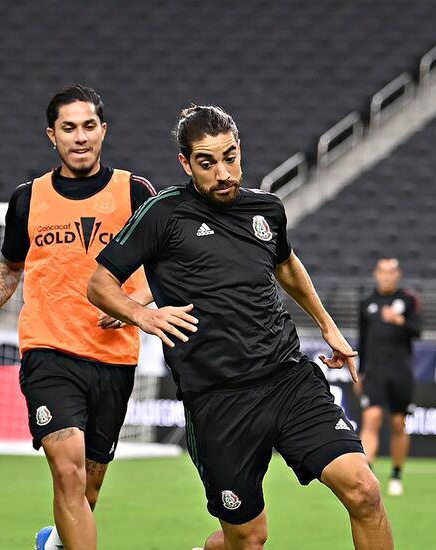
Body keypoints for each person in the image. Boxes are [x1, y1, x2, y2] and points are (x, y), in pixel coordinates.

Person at [88, 105, 393, 550]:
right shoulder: (163, 213)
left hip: (286, 380)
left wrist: (327, 325)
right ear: (186, 163)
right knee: (248, 539)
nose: (223, 173)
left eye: (230, 157)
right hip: (217, 399)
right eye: (207, 163)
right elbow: (99, 284)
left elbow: (286, 264)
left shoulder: (266, 209)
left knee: (364, 490)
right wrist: (143, 315)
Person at [0, 84, 156, 550]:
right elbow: (10, 267)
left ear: (103, 130)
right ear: (52, 135)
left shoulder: (135, 192)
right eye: (69, 128)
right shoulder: (27, 198)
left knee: (87, 488)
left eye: (89, 126)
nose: (80, 137)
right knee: (67, 470)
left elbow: (171, 266)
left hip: (114, 358)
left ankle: (52, 542)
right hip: (48, 350)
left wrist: (133, 305)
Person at [356, 258, 422, 497]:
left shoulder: (408, 300)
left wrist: (400, 320)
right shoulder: (367, 304)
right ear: (376, 274)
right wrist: (359, 373)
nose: (386, 276)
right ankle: (367, 475)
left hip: (400, 371)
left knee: (398, 423)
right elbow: (362, 341)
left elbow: (418, 331)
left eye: (391, 272)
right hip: (375, 372)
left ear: (398, 274)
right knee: (371, 418)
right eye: (382, 272)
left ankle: (396, 475)